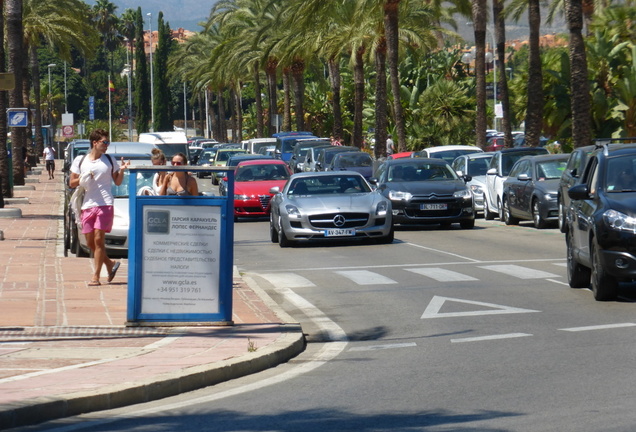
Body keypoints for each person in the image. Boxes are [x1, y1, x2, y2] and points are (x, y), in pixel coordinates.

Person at [69, 129, 130, 286]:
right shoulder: (81, 161)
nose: (107, 146)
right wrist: (83, 178)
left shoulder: (109, 160)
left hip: (105, 204)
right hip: (88, 205)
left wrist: (122, 171)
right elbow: (72, 182)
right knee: (90, 242)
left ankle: (96, 276)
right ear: (94, 143)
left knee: (98, 240)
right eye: (104, 142)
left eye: (107, 142)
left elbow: (117, 182)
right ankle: (109, 264)